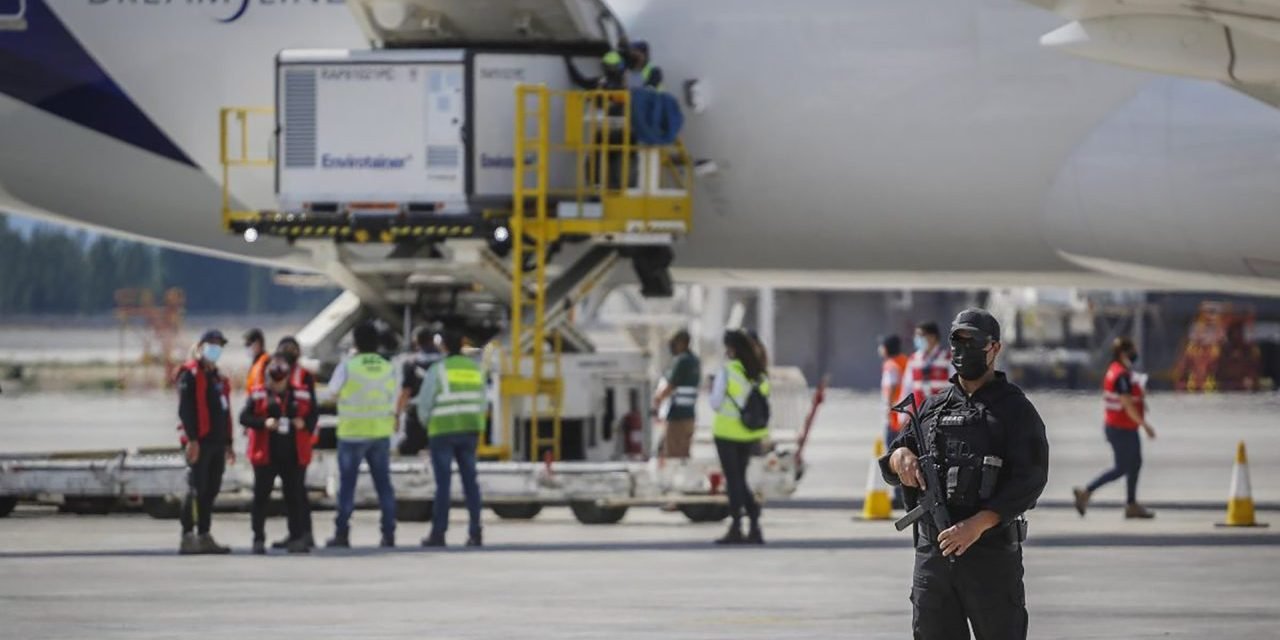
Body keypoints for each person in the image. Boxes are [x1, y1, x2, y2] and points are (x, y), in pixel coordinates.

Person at [880, 309, 1049, 639]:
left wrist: (977, 524)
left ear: (994, 348)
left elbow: (1030, 479)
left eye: (973, 341)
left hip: (989, 558)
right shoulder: (931, 408)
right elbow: (891, 461)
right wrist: (900, 458)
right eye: (957, 340)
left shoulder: (1015, 411)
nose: (963, 349)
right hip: (934, 559)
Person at [324, 322, 398, 549]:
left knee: (347, 487)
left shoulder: (348, 366)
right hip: (379, 433)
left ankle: (342, 533)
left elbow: (331, 394)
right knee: (384, 486)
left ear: (355, 342)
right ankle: (388, 534)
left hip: (352, 434)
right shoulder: (388, 367)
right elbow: (394, 396)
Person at [415, 329, 486, 547]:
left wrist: (427, 424)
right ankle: (475, 532)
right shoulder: (475, 369)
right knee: (470, 483)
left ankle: (439, 533)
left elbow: (424, 404)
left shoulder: (438, 370)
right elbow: (483, 401)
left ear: (443, 346)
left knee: (443, 485)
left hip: (443, 431)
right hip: (469, 429)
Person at [1073, 337, 1157, 519]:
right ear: (1123, 353)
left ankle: (1131, 504)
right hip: (1121, 428)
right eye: (1132, 351)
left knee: (1135, 464)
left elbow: (1129, 396)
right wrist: (1145, 426)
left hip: (1123, 426)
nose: (1135, 355)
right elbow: (1126, 403)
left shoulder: (1116, 371)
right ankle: (1086, 492)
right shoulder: (1121, 375)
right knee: (1122, 467)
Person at [240, 355, 313, 554]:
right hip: (266, 454)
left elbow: (313, 415)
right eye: (273, 378)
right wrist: (263, 423)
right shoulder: (257, 394)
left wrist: (304, 423)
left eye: (281, 379)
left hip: (293, 454)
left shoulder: (301, 394)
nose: (277, 383)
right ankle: (258, 538)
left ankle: (296, 537)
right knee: (261, 497)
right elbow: (244, 417)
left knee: (294, 497)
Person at [176, 329, 236, 555]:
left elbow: (224, 410)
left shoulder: (218, 378)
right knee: (195, 488)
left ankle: (205, 533)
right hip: (198, 441)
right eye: (211, 344)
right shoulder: (189, 375)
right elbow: (185, 410)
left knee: (211, 489)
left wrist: (229, 442)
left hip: (217, 442)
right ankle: (188, 535)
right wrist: (192, 439)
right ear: (200, 346)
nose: (215, 349)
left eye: (219, 345)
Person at [710, 329, 770, 545]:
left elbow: (715, 403)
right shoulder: (759, 374)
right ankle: (754, 523)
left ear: (731, 349)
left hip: (726, 433)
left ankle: (736, 526)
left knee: (733, 480)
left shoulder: (727, 371)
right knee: (740, 479)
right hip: (749, 434)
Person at [274, 335, 318, 549]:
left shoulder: (305, 376)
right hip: (279, 440)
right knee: (288, 490)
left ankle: (305, 533)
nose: (289, 352)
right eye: (285, 349)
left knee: (298, 489)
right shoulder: (273, 373)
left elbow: (314, 409)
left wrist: (307, 424)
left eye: (293, 349)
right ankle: (293, 533)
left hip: (299, 440)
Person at [652, 329, 701, 460]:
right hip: (690, 416)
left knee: (673, 455)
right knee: (684, 454)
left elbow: (670, 386)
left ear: (682, 343)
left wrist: (657, 400)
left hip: (677, 416)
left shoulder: (681, 361)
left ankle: (674, 480)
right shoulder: (695, 361)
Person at [396, 326, 442, 456]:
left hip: (416, 415)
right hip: (439, 412)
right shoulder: (444, 362)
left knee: (407, 450)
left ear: (416, 342)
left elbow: (405, 392)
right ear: (433, 340)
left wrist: (397, 416)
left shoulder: (411, 363)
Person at [878, 334, 910, 507]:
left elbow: (891, 387)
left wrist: (888, 409)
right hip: (905, 414)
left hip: (894, 417)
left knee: (893, 456)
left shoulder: (890, 365)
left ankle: (899, 495)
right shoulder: (905, 361)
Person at [906, 321, 951, 410]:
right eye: (916, 336)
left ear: (932, 337)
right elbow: (907, 388)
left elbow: (955, 387)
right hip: (919, 412)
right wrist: (903, 415)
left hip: (941, 410)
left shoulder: (948, 358)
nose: (917, 339)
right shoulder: (913, 359)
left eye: (921, 335)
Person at [244, 328, 269, 392]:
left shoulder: (266, 361)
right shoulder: (256, 362)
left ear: (258, 343)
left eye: (248, 344)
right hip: (253, 399)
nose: (247, 347)